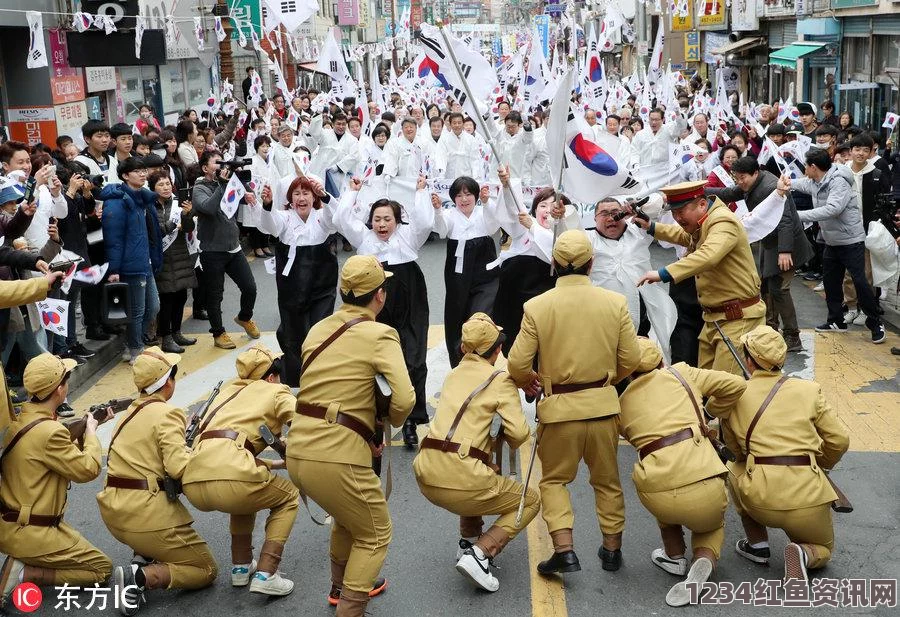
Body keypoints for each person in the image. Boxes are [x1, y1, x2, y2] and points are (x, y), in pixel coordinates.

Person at [287, 255, 415, 617]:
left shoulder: (318, 329)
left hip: (299, 450)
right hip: (337, 453)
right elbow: (405, 397)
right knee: (376, 533)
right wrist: (385, 422)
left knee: (348, 516)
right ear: (380, 296)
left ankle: (340, 586)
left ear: (344, 292)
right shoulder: (380, 334)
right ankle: (350, 606)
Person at [507, 230, 641, 575]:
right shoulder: (614, 303)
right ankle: (612, 549)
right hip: (602, 405)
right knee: (608, 481)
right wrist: (607, 380)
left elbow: (518, 364)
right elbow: (631, 359)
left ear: (553, 264)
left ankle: (564, 550)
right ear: (591, 264)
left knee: (554, 481)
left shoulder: (537, 306)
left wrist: (531, 381)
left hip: (559, 409)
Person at [413, 313, 539, 592]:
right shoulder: (500, 379)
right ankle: (481, 553)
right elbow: (519, 435)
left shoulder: (453, 374)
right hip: (462, 480)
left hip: (426, 473)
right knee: (530, 501)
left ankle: (467, 544)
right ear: (497, 350)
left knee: (478, 473)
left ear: (462, 348)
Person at [618, 338, 746, 607]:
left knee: (662, 479)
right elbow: (737, 385)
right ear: (662, 361)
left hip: (657, 490)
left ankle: (674, 556)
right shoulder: (682, 373)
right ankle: (703, 559)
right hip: (703, 477)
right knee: (711, 525)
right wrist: (708, 412)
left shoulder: (622, 403)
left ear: (628, 372)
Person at [723, 326, 850, 584]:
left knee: (733, 468)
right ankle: (803, 553)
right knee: (823, 550)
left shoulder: (736, 396)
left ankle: (757, 543)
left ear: (749, 360)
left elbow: (736, 451)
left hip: (759, 497)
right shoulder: (809, 390)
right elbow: (839, 440)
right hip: (808, 496)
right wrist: (820, 464)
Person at [97, 348, 216, 615]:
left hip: (116, 514)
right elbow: (178, 467)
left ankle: (140, 560)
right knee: (206, 569)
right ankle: (138, 579)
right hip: (147, 517)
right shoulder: (167, 414)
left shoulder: (127, 415)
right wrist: (198, 447)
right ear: (168, 382)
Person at [636, 180, 787, 376]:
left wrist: (663, 273)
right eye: (674, 213)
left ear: (701, 204)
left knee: (724, 390)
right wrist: (651, 227)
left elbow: (709, 254)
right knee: (705, 385)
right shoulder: (704, 221)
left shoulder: (723, 221)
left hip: (737, 318)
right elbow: (685, 236)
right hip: (714, 318)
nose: (677, 218)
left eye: (681, 212)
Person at [182, 345, 299, 597]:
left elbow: (226, 449)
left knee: (246, 494)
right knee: (288, 496)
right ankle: (267, 573)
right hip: (234, 471)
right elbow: (302, 422)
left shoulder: (225, 393)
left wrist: (276, 463)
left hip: (193, 479)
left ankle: (241, 566)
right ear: (271, 377)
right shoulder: (275, 390)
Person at [0, 353, 113, 599]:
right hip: (32, 531)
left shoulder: (20, 420)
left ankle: (27, 563)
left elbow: (48, 453)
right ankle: (26, 573)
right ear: (59, 389)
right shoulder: (51, 432)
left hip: (13, 524)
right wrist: (92, 432)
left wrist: (83, 430)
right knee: (101, 569)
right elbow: (88, 469)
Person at [333, 176, 434, 448]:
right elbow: (342, 219)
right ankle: (374, 416)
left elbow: (425, 222)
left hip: (408, 293)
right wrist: (352, 192)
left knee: (413, 357)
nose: (381, 225)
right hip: (373, 294)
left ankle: (412, 419)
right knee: (373, 359)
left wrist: (421, 191)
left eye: (387, 219)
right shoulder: (363, 238)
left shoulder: (409, 237)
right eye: (377, 219)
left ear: (397, 221)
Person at [709, 157, 814, 352]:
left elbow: (785, 220)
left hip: (786, 243)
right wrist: (701, 192)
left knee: (780, 289)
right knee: (766, 285)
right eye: (736, 178)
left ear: (755, 173)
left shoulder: (770, 187)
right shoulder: (749, 184)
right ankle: (770, 328)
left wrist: (785, 251)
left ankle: (792, 336)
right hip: (769, 241)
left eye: (743, 178)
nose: (740, 182)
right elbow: (729, 193)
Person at [789, 148, 886, 343]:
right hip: (831, 241)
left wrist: (797, 216)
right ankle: (836, 321)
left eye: (806, 166)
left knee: (860, 282)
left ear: (813, 167)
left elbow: (833, 209)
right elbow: (803, 184)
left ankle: (876, 323)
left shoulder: (838, 181)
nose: (804, 170)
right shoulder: (816, 181)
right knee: (831, 282)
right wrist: (786, 183)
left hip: (851, 241)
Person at [258, 175, 338, 387]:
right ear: (290, 199)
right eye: (296, 194)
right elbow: (270, 226)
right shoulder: (285, 218)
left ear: (314, 197)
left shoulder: (321, 216)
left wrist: (327, 197)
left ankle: (320, 378)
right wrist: (266, 205)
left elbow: (336, 219)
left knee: (318, 331)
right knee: (293, 334)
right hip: (292, 287)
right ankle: (295, 382)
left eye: (306, 193)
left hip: (321, 284)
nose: (301, 198)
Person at [588, 195, 677, 358]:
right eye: (604, 214)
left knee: (645, 363)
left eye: (615, 212)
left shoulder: (638, 232)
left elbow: (658, 202)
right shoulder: (587, 240)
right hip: (604, 320)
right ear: (594, 218)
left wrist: (636, 209)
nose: (611, 218)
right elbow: (560, 238)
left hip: (643, 315)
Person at [192, 151, 260, 349]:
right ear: (205, 168)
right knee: (215, 295)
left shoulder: (229, 181)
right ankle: (218, 333)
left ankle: (244, 317)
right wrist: (222, 184)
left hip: (233, 247)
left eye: (224, 162)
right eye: (217, 163)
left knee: (250, 287)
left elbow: (248, 195)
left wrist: (237, 174)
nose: (222, 166)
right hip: (212, 250)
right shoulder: (199, 188)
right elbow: (209, 208)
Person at [100, 157, 163, 363]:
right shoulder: (117, 201)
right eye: (137, 171)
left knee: (153, 307)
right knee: (137, 310)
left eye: (144, 170)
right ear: (126, 176)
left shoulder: (142, 197)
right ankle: (136, 349)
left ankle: (132, 344)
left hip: (145, 262)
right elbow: (113, 239)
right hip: (130, 264)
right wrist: (114, 269)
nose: (143, 174)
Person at [433, 176, 500, 368]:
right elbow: (442, 230)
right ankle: (459, 363)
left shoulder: (482, 212)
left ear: (476, 196)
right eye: (459, 195)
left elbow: (493, 225)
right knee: (457, 314)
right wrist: (437, 209)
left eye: (468, 194)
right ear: (453, 198)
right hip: (458, 272)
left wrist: (487, 203)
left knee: (481, 314)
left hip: (485, 270)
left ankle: (485, 361)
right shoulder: (450, 214)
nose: (464, 199)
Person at [842, 134, 892, 324]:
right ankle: (852, 307)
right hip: (846, 229)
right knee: (848, 272)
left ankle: (866, 308)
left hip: (868, 228)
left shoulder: (877, 173)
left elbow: (885, 202)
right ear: (851, 151)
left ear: (872, 152)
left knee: (867, 274)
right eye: (857, 149)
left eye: (865, 150)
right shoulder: (842, 171)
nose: (861, 153)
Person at [148, 171, 197, 353]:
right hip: (162, 258)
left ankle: (177, 332)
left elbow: (188, 229)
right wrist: (172, 226)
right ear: (153, 188)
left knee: (181, 296)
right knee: (166, 298)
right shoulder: (149, 206)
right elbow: (154, 231)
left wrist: (186, 215)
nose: (166, 187)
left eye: (168, 183)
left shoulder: (177, 204)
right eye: (160, 184)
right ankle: (166, 337)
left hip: (180, 253)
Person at [437, 112, 477, 179]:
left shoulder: (471, 139)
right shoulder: (444, 139)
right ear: (450, 124)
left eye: (459, 122)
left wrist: (475, 177)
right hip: (450, 176)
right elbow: (441, 157)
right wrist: (441, 175)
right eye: (454, 123)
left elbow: (475, 160)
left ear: (463, 123)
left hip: (467, 177)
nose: (457, 125)